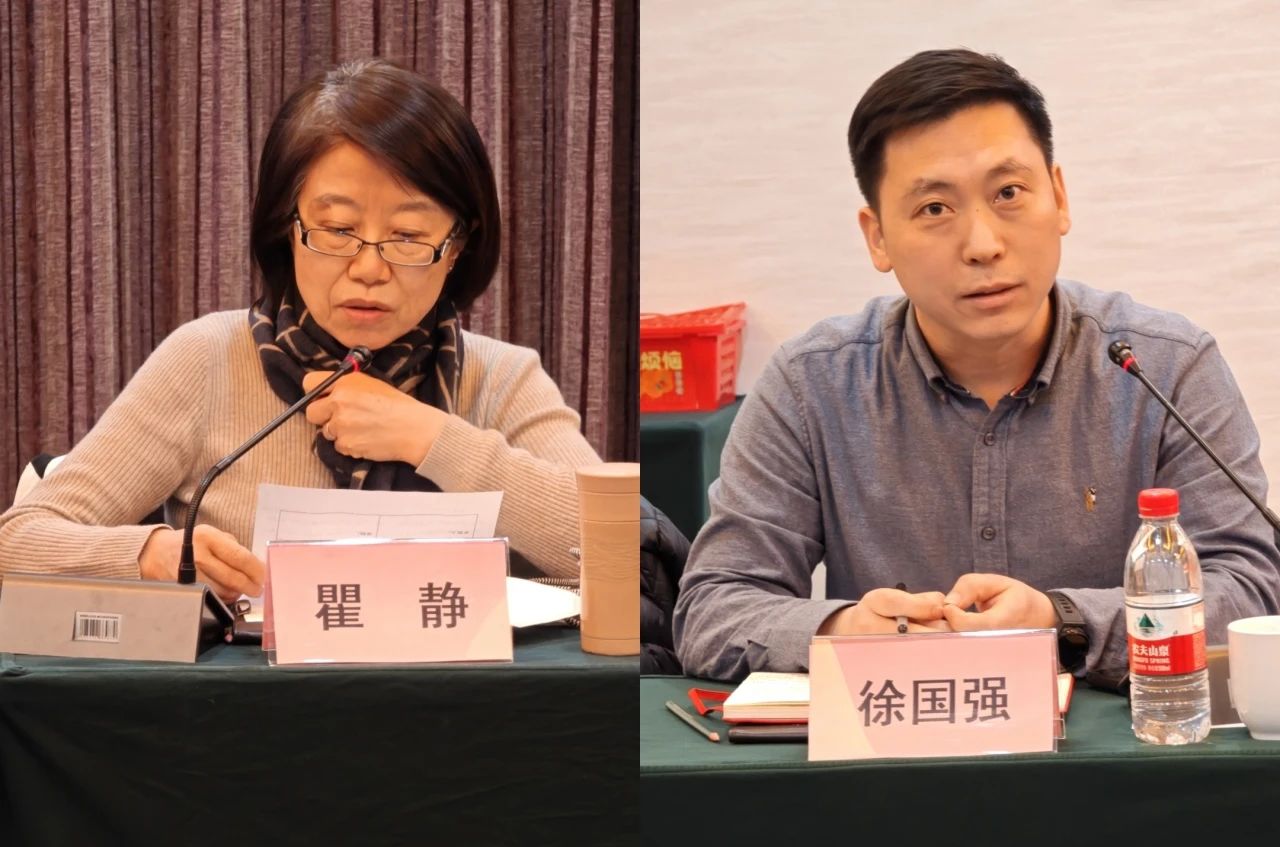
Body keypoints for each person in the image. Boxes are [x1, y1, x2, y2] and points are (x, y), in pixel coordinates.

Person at [673, 50, 1280, 686]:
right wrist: (846, 632)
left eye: (1008, 193)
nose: (983, 245)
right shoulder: (812, 386)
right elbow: (714, 608)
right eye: (935, 208)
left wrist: (1063, 623)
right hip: (899, 740)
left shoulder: (1166, 366)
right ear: (877, 237)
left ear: (1059, 196)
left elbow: (1251, 591)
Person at [0, 60, 599, 603]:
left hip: (454, 691)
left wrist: (432, 438)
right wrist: (149, 555)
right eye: (337, 230)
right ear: (287, 229)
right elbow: (17, 542)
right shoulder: (208, 360)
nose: (369, 269)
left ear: (457, 247)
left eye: (409, 237)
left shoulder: (502, 378)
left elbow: (619, 553)